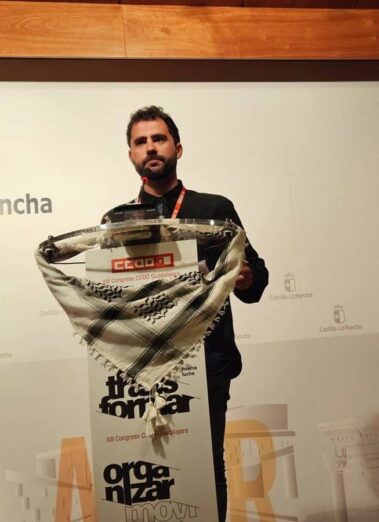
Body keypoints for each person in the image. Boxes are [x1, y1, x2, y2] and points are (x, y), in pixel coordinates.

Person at [103, 106, 269, 522]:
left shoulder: (215, 209)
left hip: (206, 362)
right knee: (150, 468)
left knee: (206, 466)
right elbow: (110, 295)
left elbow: (255, 276)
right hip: (142, 368)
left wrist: (245, 277)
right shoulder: (115, 221)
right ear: (131, 154)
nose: (150, 148)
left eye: (158, 139)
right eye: (141, 142)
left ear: (177, 148)